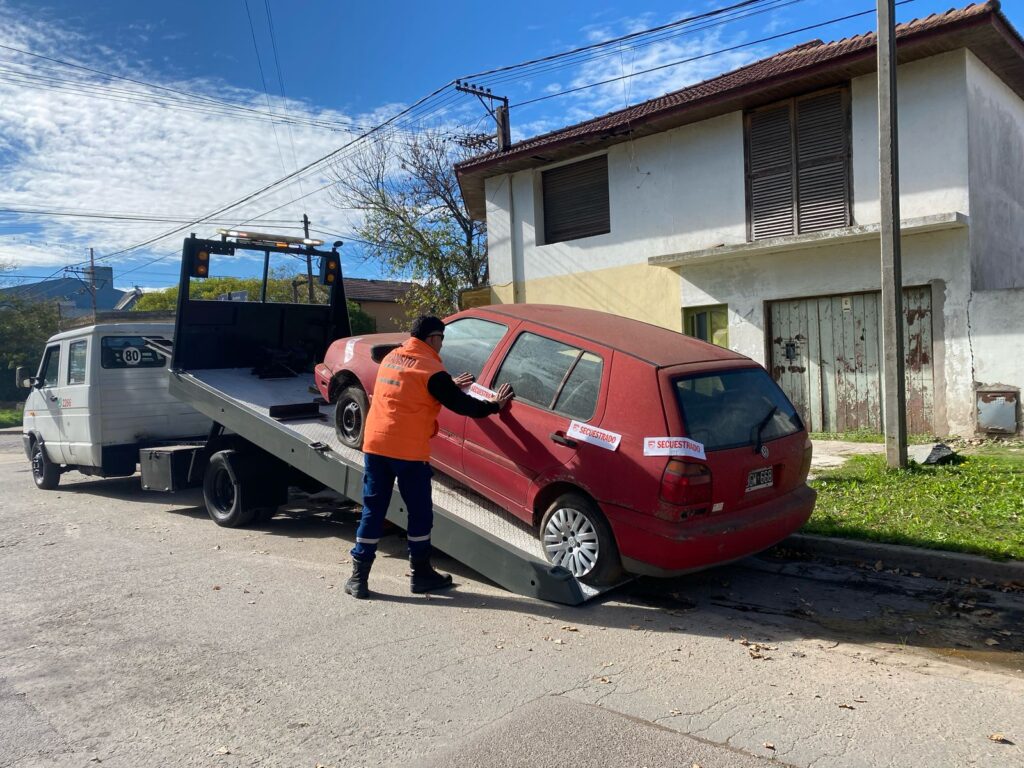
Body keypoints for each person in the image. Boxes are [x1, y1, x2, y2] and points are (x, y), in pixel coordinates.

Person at [345, 315, 514, 599]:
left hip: (375, 445)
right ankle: (421, 574)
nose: (442, 345)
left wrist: (447, 384)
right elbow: (464, 406)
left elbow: (409, 387)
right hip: (408, 452)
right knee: (419, 512)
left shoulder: (392, 358)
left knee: (373, 509)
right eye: (442, 339)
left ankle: (358, 578)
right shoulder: (431, 369)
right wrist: (495, 405)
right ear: (433, 338)